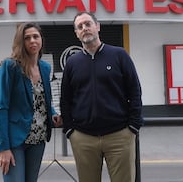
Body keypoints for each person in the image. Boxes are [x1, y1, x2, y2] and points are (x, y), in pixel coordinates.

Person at [60, 11, 143, 182]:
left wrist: (133, 127)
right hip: (83, 138)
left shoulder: (119, 55)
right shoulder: (72, 63)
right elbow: (65, 99)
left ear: (97, 26)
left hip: (119, 136)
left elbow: (134, 91)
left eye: (88, 24)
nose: (85, 28)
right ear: (76, 33)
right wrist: (70, 130)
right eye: (80, 26)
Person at [0, 22, 62, 182]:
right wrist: (3, 147)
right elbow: (0, 108)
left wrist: (53, 113)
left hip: (38, 139)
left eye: (36, 36)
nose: (32, 41)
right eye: (27, 38)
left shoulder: (45, 67)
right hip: (15, 140)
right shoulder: (10, 67)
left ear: (41, 40)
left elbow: (43, 99)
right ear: (20, 42)